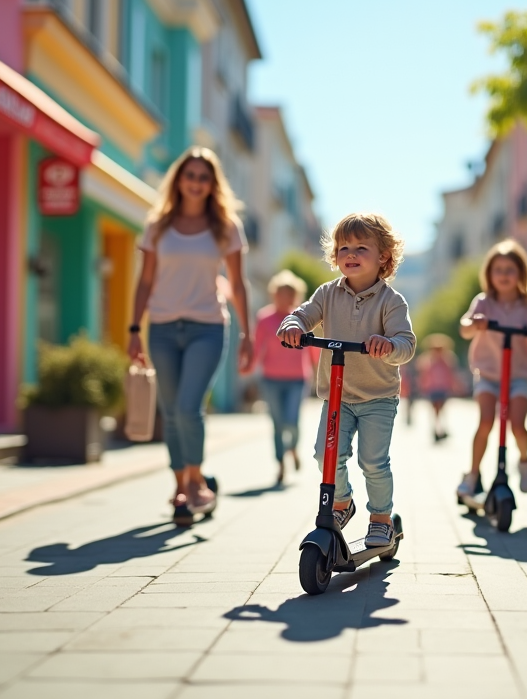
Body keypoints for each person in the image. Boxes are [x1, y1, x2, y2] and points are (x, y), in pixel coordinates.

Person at [129, 147, 253, 526]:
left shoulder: (225, 227)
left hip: (207, 327)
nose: (196, 183)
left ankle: (196, 479)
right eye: (190, 175)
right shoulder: (158, 225)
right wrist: (135, 329)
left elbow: (237, 283)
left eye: (203, 177)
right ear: (179, 180)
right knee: (170, 411)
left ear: (212, 184)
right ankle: (180, 484)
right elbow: (146, 280)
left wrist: (247, 333)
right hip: (162, 328)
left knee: (187, 407)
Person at [279, 212, 416, 547]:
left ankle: (381, 518)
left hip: (377, 397)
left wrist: (388, 346)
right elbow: (304, 313)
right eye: (343, 248)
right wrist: (294, 325)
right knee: (324, 455)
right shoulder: (327, 294)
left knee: (372, 461)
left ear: (383, 256)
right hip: (336, 397)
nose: (350, 254)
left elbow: (406, 344)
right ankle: (342, 503)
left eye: (361, 248)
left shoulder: (391, 301)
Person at [456, 240, 527, 501]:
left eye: (509, 270)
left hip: (518, 376)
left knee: (518, 425)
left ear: (521, 274)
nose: (503, 275)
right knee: (486, 422)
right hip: (489, 375)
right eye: (498, 269)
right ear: (489, 274)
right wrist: (475, 324)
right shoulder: (484, 302)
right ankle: (473, 474)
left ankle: (524, 460)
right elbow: (465, 327)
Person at [252, 270, 314, 485]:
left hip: (297, 379)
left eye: (288, 294)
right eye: (279, 293)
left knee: (292, 421)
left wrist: (321, 371)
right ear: (273, 295)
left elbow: (314, 349)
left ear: (295, 296)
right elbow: (257, 346)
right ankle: (280, 464)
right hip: (271, 379)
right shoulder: (264, 318)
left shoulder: (301, 319)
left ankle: (293, 448)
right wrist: (249, 365)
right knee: (277, 423)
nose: (283, 298)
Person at [417, 333, 461, 442]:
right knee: (435, 409)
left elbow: (451, 374)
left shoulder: (447, 360)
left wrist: (454, 385)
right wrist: (422, 385)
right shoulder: (428, 360)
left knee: (441, 408)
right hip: (432, 388)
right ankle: (436, 429)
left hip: (443, 388)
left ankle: (441, 429)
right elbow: (423, 374)